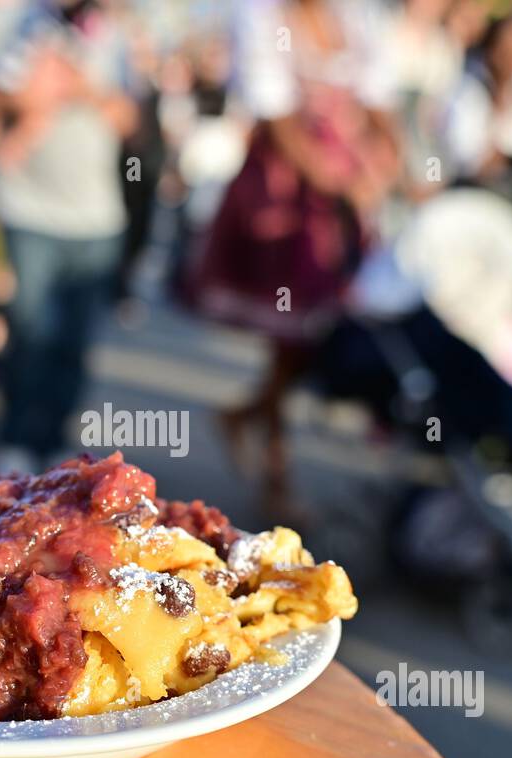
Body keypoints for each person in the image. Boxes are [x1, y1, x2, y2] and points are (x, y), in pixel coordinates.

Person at [194, 0, 399, 510]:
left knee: (315, 335)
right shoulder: (261, 15)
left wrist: (387, 166)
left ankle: (246, 421)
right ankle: (276, 478)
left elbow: (379, 100)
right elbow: (276, 115)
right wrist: (337, 182)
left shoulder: (353, 15)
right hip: (287, 191)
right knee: (291, 337)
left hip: (342, 190)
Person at [0, 0, 137, 473]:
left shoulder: (110, 33)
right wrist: (21, 98)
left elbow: (129, 116)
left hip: (96, 218)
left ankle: (55, 437)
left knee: (74, 343)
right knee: (30, 330)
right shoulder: (10, 18)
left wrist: (85, 90)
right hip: (26, 210)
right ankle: (15, 437)